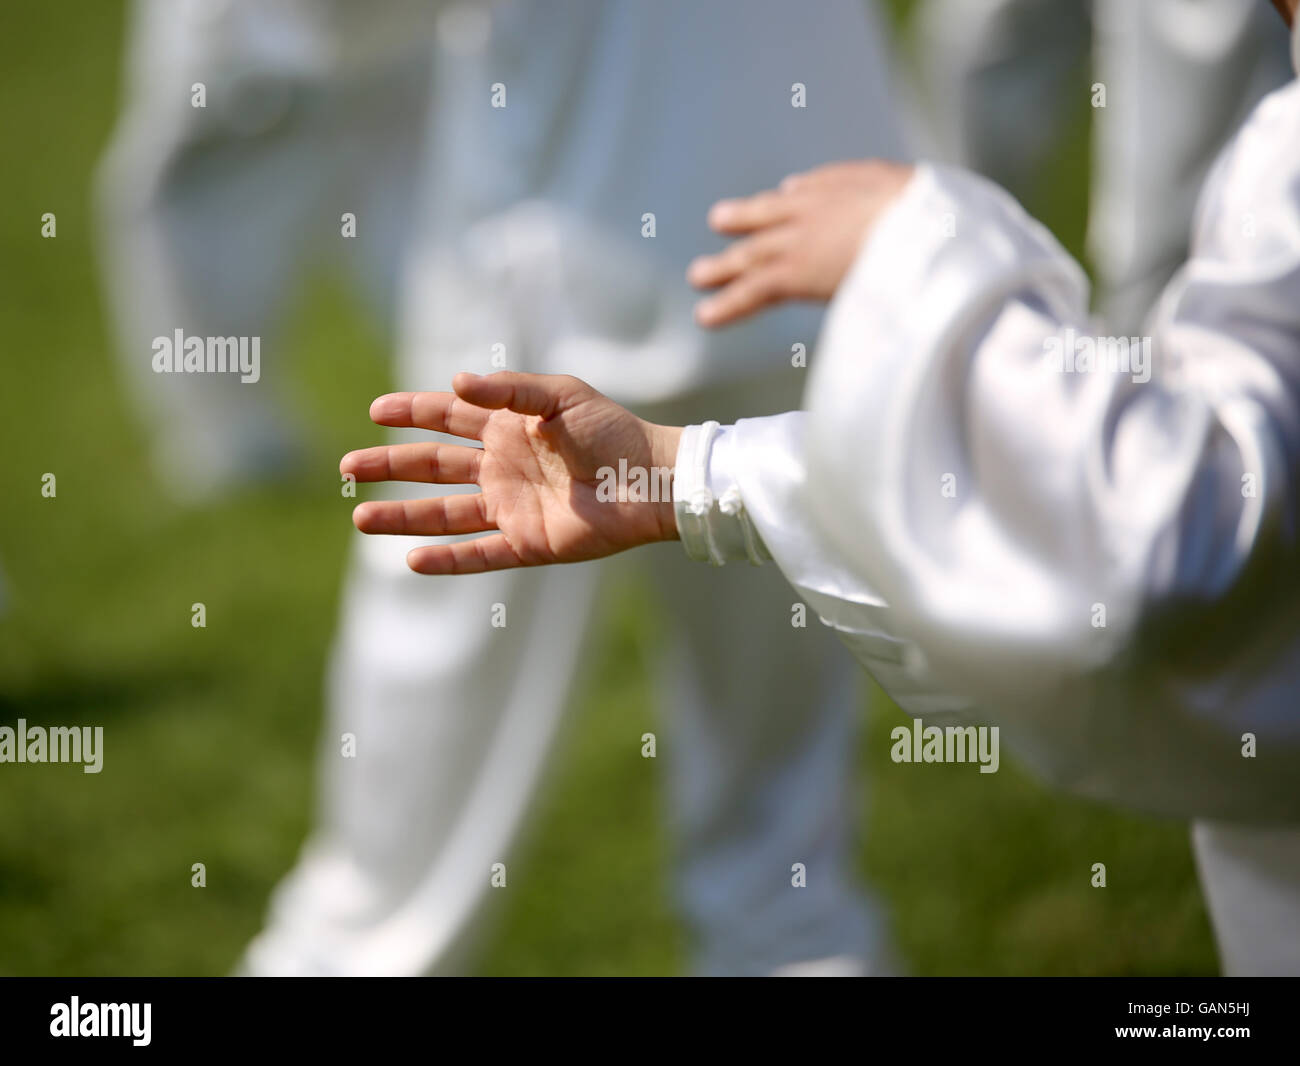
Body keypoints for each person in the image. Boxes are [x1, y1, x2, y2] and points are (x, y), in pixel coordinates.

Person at [338, 0, 1300, 976]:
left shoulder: (1283, 163)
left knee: (419, 839)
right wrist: (683, 471)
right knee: (775, 848)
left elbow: (1170, 553)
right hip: (797, 220)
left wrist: (926, 246)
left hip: (682, 235)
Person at [238, 0, 911, 977]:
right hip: (814, 212)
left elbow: (332, 18)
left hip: (559, 247)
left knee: (402, 826)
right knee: (783, 837)